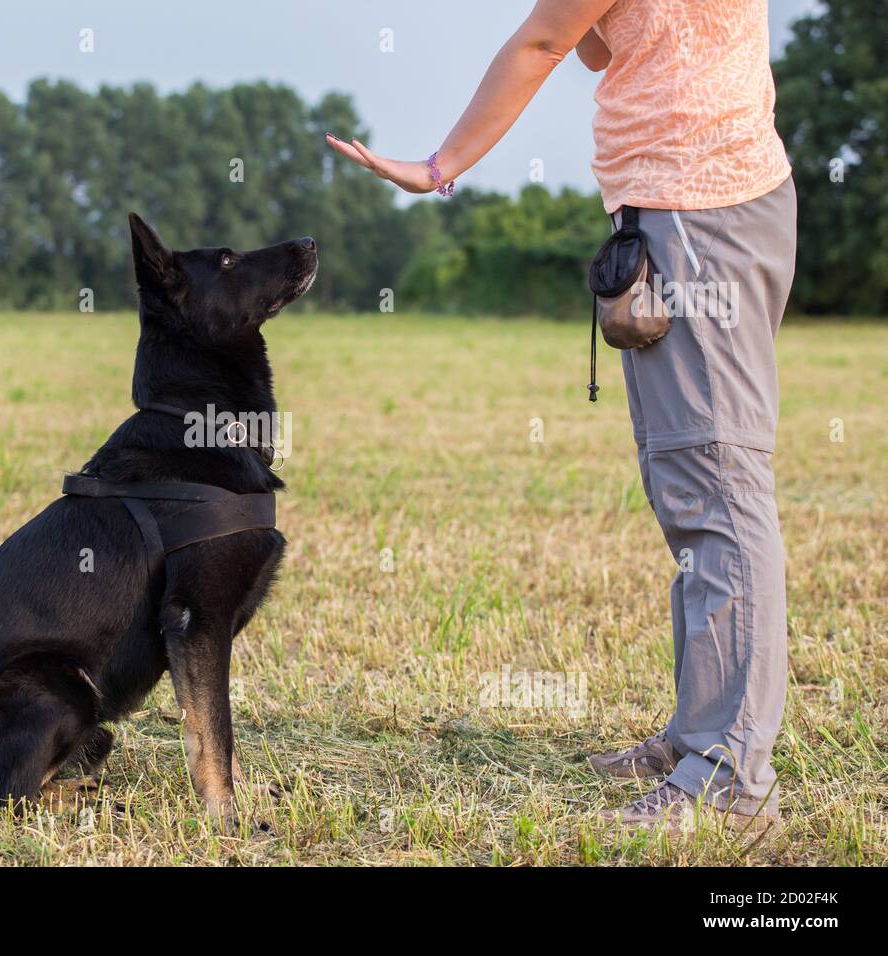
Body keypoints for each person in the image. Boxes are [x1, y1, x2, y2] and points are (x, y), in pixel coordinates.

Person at [328, 0, 796, 833]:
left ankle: (727, 774)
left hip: (697, 214)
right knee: (694, 490)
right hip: (702, 205)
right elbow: (592, 45)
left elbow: (544, 42)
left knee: (718, 492)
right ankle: (701, 735)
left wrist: (441, 167)